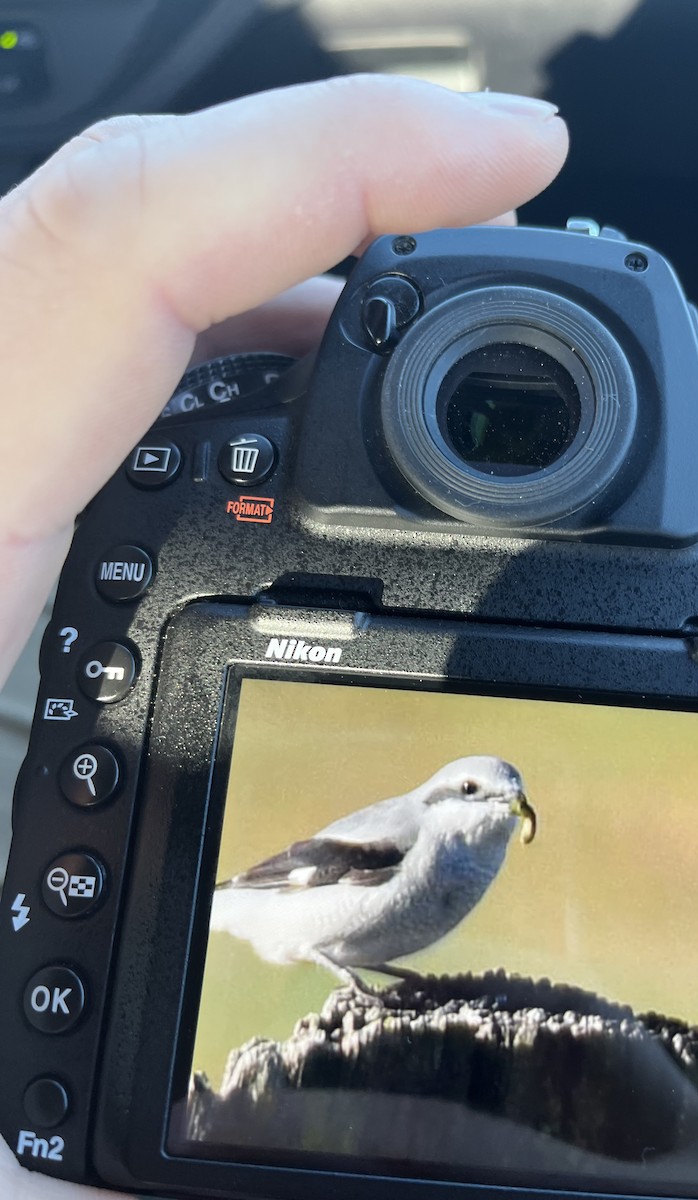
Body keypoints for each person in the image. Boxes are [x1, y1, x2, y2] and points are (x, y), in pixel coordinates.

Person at [0, 73, 567, 1197]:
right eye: (472, 794)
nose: (492, 807)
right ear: (440, 802)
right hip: (282, 901)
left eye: (498, 795)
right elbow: (308, 883)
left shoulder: (472, 850)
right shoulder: (404, 841)